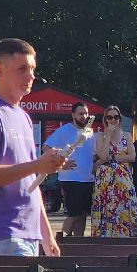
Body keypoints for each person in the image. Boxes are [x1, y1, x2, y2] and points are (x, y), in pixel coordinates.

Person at [0, 38, 68, 256]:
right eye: (22, 69)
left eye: (32, 69)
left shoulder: (23, 117)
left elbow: (31, 182)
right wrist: (37, 165)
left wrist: (47, 236)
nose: (31, 76)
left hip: (28, 234)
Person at [42, 101, 96, 237]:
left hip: (88, 179)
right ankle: (62, 241)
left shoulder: (90, 132)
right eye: (80, 114)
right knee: (74, 214)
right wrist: (61, 163)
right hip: (71, 179)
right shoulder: (64, 131)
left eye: (86, 113)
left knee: (83, 214)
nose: (84, 116)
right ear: (73, 115)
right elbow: (46, 148)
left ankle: (78, 243)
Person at [90, 105, 137, 237]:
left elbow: (132, 156)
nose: (113, 120)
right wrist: (108, 136)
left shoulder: (127, 135)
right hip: (105, 180)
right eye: (109, 117)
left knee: (125, 206)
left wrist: (112, 158)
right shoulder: (100, 136)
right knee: (106, 208)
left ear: (120, 119)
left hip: (122, 178)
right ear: (105, 119)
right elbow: (103, 156)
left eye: (115, 117)